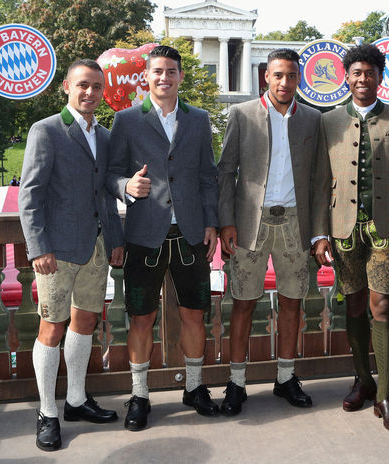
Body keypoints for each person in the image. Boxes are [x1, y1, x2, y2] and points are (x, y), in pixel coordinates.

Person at [106, 45, 219, 431]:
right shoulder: (126, 120)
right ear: (146, 77)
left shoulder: (200, 119)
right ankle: (139, 394)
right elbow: (110, 174)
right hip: (143, 233)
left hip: (189, 233)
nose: (164, 78)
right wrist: (126, 185)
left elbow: (208, 175)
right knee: (141, 317)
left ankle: (194, 386)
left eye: (171, 71)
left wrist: (212, 222)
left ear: (180, 77)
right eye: (157, 71)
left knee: (194, 313)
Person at [313, 43, 389, 433]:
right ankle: (363, 379)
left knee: (381, 308)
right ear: (347, 76)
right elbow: (321, 182)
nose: (363, 79)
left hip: (388, 231)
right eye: (356, 73)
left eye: (370, 73)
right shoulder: (328, 122)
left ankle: (385, 394)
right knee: (355, 305)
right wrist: (318, 233)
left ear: (380, 76)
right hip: (342, 231)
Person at [18, 58, 124, 452]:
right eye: (83, 85)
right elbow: (30, 195)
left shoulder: (106, 135)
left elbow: (105, 193)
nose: (90, 93)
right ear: (67, 86)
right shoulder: (45, 130)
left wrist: (114, 238)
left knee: (85, 323)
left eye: (97, 86)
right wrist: (38, 248)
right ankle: (48, 412)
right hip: (56, 251)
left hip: (97, 248)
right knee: (52, 328)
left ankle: (76, 401)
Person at [217, 48, 330, 416]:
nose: (284, 82)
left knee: (292, 301)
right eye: (278, 75)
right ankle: (236, 382)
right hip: (251, 223)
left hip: (295, 223)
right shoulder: (242, 113)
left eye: (291, 76)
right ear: (266, 75)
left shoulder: (313, 119)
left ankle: (285, 377)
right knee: (243, 303)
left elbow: (319, 179)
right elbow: (225, 171)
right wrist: (227, 222)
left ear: (299, 79)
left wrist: (318, 232)